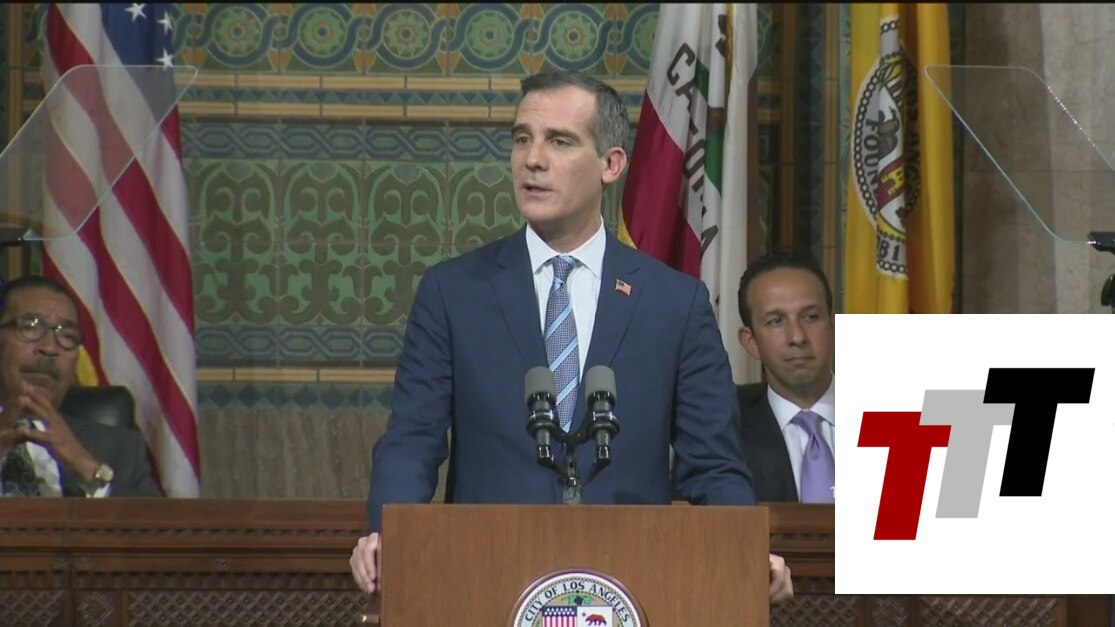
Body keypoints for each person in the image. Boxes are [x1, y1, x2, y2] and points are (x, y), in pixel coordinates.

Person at [350, 71, 793, 604]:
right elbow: (412, 440)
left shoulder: (674, 303)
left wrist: (744, 548)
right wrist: (388, 533)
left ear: (611, 164)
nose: (532, 160)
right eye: (522, 139)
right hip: (484, 580)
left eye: (559, 141)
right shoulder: (453, 293)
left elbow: (714, 464)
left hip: (635, 583)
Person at [0, 275, 161, 497]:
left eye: (67, 336)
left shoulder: (122, 450)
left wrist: (88, 469)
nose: (50, 348)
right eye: (30, 327)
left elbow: (156, 520)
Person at [735, 253, 835, 503]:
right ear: (751, 342)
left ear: (833, 326)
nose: (797, 337)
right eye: (776, 321)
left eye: (811, 317)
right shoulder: (722, 430)